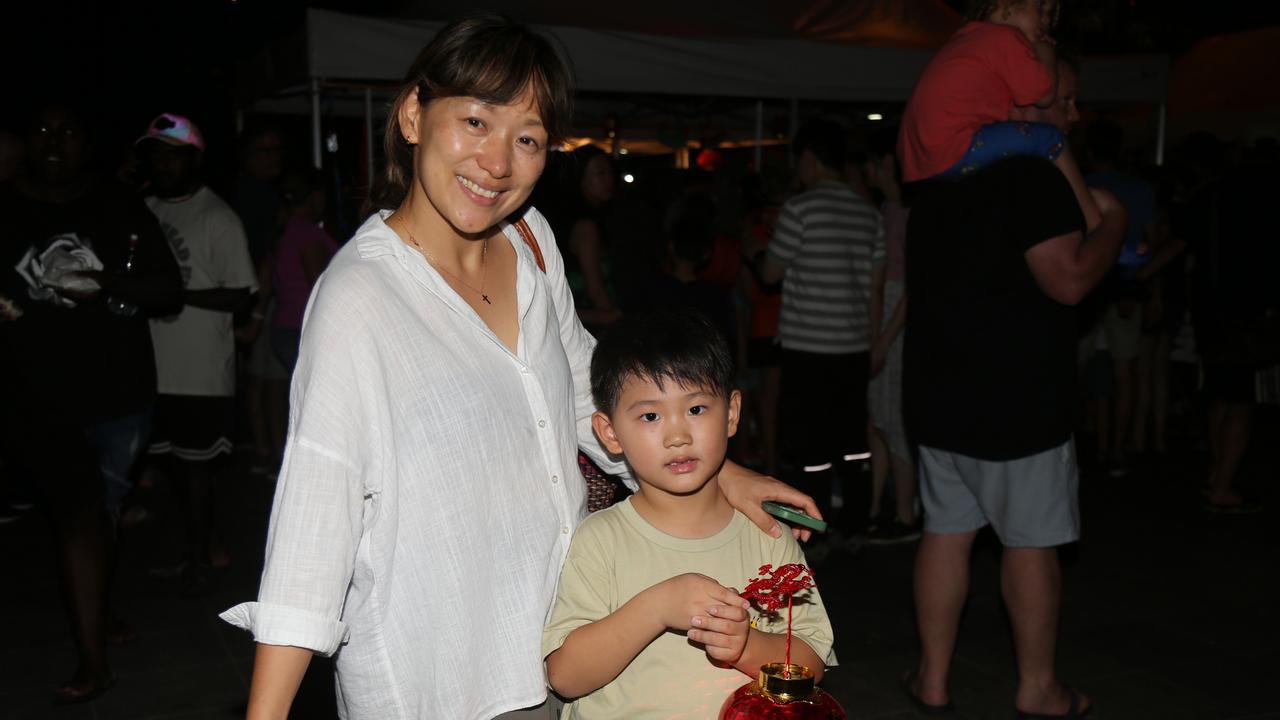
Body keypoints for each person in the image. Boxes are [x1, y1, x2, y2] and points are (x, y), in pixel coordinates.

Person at [220, 15, 819, 720]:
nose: (497, 162)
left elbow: (584, 397)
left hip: (559, 646)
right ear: (414, 114)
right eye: (475, 121)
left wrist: (726, 474)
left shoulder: (532, 241)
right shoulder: (361, 296)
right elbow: (313, 523)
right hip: (439, 676)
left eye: (527, 138)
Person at [901, 61, 1127, 717]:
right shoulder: (1030, 178)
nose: (1076, 114)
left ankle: (933, 679)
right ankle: (1038, 688)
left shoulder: (938, 185)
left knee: (946, 531)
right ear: (1021, 107)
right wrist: (1111, 222)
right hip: (1016, 398)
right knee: (1030, 541)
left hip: (940, 395)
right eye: (1066, 99)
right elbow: (1071, 279)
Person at [543, 311, 836, 718]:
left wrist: (746, 647)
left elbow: (811, 663)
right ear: (609, 433)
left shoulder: (766, 536)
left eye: (696, 409)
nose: (678, 435)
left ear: (731, 413)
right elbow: (566, 677)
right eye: (650, 416)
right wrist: (657, 607)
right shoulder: (600, 540)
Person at [0, 102, 182, 702]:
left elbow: (167, 288)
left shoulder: (117, 205)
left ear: (88, 145)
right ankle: (93, 660)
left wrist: (108, 284)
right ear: (26, 141)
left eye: (70, 129)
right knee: (78, 516)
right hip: (37, 398)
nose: (56, 140)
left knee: (101, 517)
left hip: (119, 394)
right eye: (43, 128)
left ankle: (96, 613)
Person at [139, 113, 258, 592]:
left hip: (200, 371)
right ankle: (199, 548)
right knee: (166, 467)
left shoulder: (218, 218)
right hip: (151, 367)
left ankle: (200, 562)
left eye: (173, 154)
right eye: (156, 154)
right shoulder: (144, 209)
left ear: (194, 159)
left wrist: (173, 294)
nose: (163, 164)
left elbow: (241, 295)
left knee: (198, 471)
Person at [756, 118, 885, 533]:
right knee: (853, 445)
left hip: (808, 350)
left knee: (811, 447)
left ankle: (813, 530)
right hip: (853, 347)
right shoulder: (868, 212)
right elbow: (875, 287)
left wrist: (761, 249)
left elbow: (771, 274)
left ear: (808, 159)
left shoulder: (799, 209)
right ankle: (855, 522)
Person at [898, 0, 1100, 231]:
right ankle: (1093, 220)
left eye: (1050, 15)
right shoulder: (1005, 37)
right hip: (954, 147)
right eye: (1041, 10)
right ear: (1006, 4)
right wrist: (1046, 51)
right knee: (1050, 139)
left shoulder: (967, 39)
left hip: (925, 160)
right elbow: (1043, 95)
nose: (1046, 22)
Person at [863, 133, 920, 544]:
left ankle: (905, 512)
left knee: (893, 420)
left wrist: (883, 340)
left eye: (876, 165)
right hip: (883, 318)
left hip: (897, 323)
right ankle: (877, 506)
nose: (869, 173)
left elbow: (912, 288)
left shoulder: (910, 213)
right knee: (876, 420)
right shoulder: (884, 210)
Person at [269, 168, 337, 371]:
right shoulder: (307, 232)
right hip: (302, 327)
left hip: (285, 323)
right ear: (316, 196)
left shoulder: (285, 227)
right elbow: (318, 283)